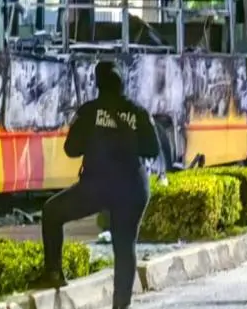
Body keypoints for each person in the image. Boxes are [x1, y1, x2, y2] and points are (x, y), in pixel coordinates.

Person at [32, 61, 160, 309]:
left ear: (98, 84)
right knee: (125, 246)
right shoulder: (138, 112)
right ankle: (121, 305)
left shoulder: (89, 112)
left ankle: (54, 273)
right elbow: (152, 149)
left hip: (97, 186)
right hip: (133, 187)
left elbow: (71, 149)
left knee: (52, 212)